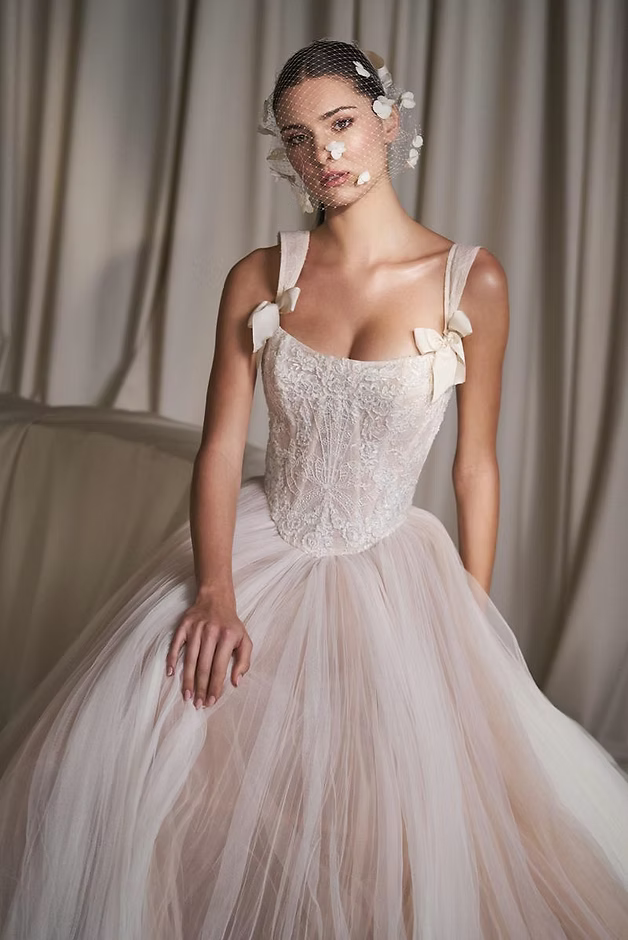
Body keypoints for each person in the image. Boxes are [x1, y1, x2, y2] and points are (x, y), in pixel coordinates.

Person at [1, 37, 628, 940]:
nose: (325, 153)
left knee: (385, 826)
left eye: (341, 125)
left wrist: (468, 630)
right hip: (257, 552)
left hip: (394, 571)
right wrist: (213, 589)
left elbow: (475, 467)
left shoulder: (470, 280)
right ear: (283, 153)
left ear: (389, 122)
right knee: (115, 778)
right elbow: (221, 450)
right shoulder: (263, 277)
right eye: (299, 138)